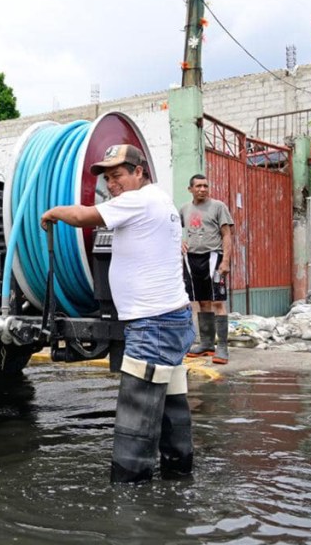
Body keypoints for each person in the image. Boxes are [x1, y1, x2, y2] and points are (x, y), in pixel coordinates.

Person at [40, 144, 195, 483]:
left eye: (118, 175)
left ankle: (129, 496)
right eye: (107, 179)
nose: (112, 185)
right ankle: (179, 475)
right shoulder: (160, 199)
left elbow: (82, 217)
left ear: (139, 171)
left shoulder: (137, 200)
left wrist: (53, 212)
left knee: (137, 410)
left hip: (153, 324)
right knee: (170, 402)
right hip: (170, 319)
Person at [180, 174, 234, 364]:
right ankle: (207, 344)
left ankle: (223, 348)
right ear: (190, 189)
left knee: (217, 301)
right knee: (202, 301)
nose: (203, 189)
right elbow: (174, 230)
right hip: (192, 258)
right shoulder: (185, 209)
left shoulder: (218, 207)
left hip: (214, 257)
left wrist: (225, 261)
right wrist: (181, 242)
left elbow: (227, 235)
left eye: (205, 186)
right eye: (198, 186)